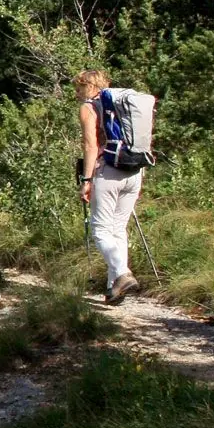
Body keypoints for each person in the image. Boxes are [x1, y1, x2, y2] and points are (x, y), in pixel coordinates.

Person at [77, 69, 141, 304]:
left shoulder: (89, 107)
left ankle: (122, 274)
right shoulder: (121, 105)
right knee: (118, 228)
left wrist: (86, 181)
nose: (77, 92)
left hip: (108, 170)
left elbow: (90, 146)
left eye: (79, 87)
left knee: (101, 230)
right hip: (134, 170)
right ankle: (115, 289)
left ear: (88, 86)